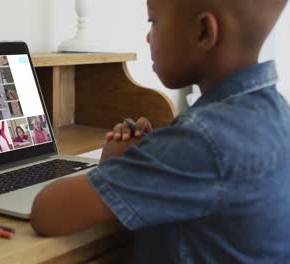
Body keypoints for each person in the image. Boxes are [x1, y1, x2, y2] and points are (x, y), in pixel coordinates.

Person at [30, 0, 290, 263]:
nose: (147, 37)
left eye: (153, 22)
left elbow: (47, 212)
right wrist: (153, 155)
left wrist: (117, 165)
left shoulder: (201, 140)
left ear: (203, 32)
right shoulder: (277, 113)